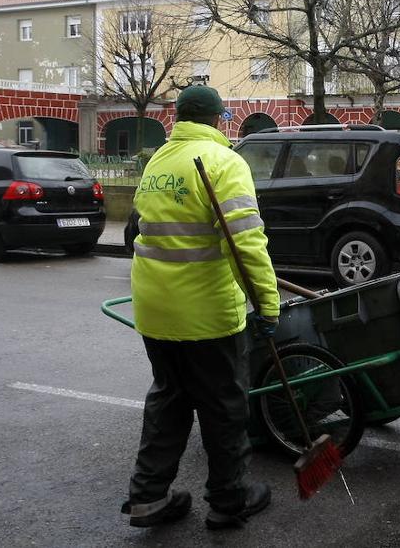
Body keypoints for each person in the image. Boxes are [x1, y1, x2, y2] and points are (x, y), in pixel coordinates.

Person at [123, 85, 280, 531]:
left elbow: (142, 226)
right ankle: (230, 500)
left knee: (169, 399)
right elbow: (246, 242)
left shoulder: (157, 161)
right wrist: (268, 305)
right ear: (217, 119)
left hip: (154, 310)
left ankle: (148, 497)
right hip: (206, 314)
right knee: (223, 406)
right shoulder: (223, 162)